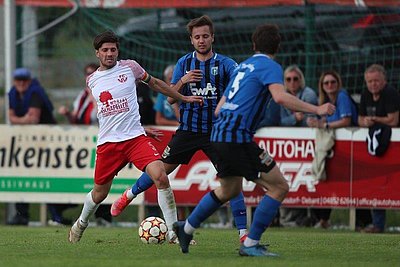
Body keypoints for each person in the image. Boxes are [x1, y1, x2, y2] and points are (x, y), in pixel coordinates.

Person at [172, 24, 335, 256]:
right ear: (277, 46)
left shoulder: (243, 67)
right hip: (236, 137)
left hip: (218, 133)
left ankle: (186, 228)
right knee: (279, 187)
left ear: (253, 45)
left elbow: (219, 108)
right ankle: (250, 244)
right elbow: (279, 97)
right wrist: (317, 109)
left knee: (229, 190)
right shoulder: (270, 66)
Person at [111, 15, 249, 243]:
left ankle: (243, 234)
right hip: (189, 131)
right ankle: (129, 194)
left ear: (212, 37)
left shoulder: (225, 64)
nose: (202, 40)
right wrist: (183, 81)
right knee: (160, 171)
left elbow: (240, 88)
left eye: (205, 36)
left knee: (232, 179)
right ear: (191, 40)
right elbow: (171, 100)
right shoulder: (184, 63)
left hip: (217, 133)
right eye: (197, 37)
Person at [67, 30, 203, 243]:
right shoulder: (92, 80)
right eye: (105, 50)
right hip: (109, 144)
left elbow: (156, 83)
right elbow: (107, 112)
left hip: (135, 139)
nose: (110, 53)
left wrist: (181, 97)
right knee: (99, 194)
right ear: (97, 53)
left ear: (117, 50)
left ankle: (174, 232)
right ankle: (81, 223)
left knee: (160, 175)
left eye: (113, 49)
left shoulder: (131, 67)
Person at [8, 67, 72, 226]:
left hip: (49, 143)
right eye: (18, 80)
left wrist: (18, 119)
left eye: (24, 80)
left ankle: (56, 215)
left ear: (29, 80)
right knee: (22, 176)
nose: (21, 83)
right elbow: (11, 117)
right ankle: (22, 215)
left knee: (49, 179)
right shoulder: (13, 94)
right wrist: (23, 118)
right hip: (29, 144)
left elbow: (33, 119)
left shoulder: (35, 93)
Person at [59, 63, 113, 227]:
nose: (89, 76)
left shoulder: (105, 91)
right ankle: (85, 217)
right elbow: (76, 119)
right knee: (91, 181)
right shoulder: (82, 96)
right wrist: (68, 114)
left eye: (92, 72)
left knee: (102, 181)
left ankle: (103, 216)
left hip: (103, 141)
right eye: (87, 73)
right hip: (84, 144)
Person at [307, 70, 358, 229]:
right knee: (327, 179)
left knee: (351, 183)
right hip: (336, 147)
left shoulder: (342, 96)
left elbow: (346, 120)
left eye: (332, 82)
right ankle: (323, 219)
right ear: (322, 86)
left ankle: (362, 221)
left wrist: (325, 125)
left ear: (338, 83)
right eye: (326, 83)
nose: (330, 85)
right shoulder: (325, 100)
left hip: (352, 144)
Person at [358, 64, 400, 233]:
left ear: (384, 81)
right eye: (369, 81)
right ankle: (377, 224)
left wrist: (374, 119)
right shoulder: (365, 94)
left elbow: (393, 120)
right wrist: (365, 122)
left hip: (394, 144)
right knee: (376, 182)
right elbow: (360, 119)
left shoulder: (390, 93)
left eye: (376, 81)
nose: (373, 84)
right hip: (377, 144)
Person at [278, 65, 318, 227]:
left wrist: (295, 119)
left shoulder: (308, 94)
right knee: (287, 181)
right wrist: (295, 118)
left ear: (301, 80)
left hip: (308, 144)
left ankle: (312, 217)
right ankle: (287, 218)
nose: (292, 82)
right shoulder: (281, 96)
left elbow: (308, 121)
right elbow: (280, 120)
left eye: (295, 79)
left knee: (310, 180)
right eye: (288, 79)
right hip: (288, 146)